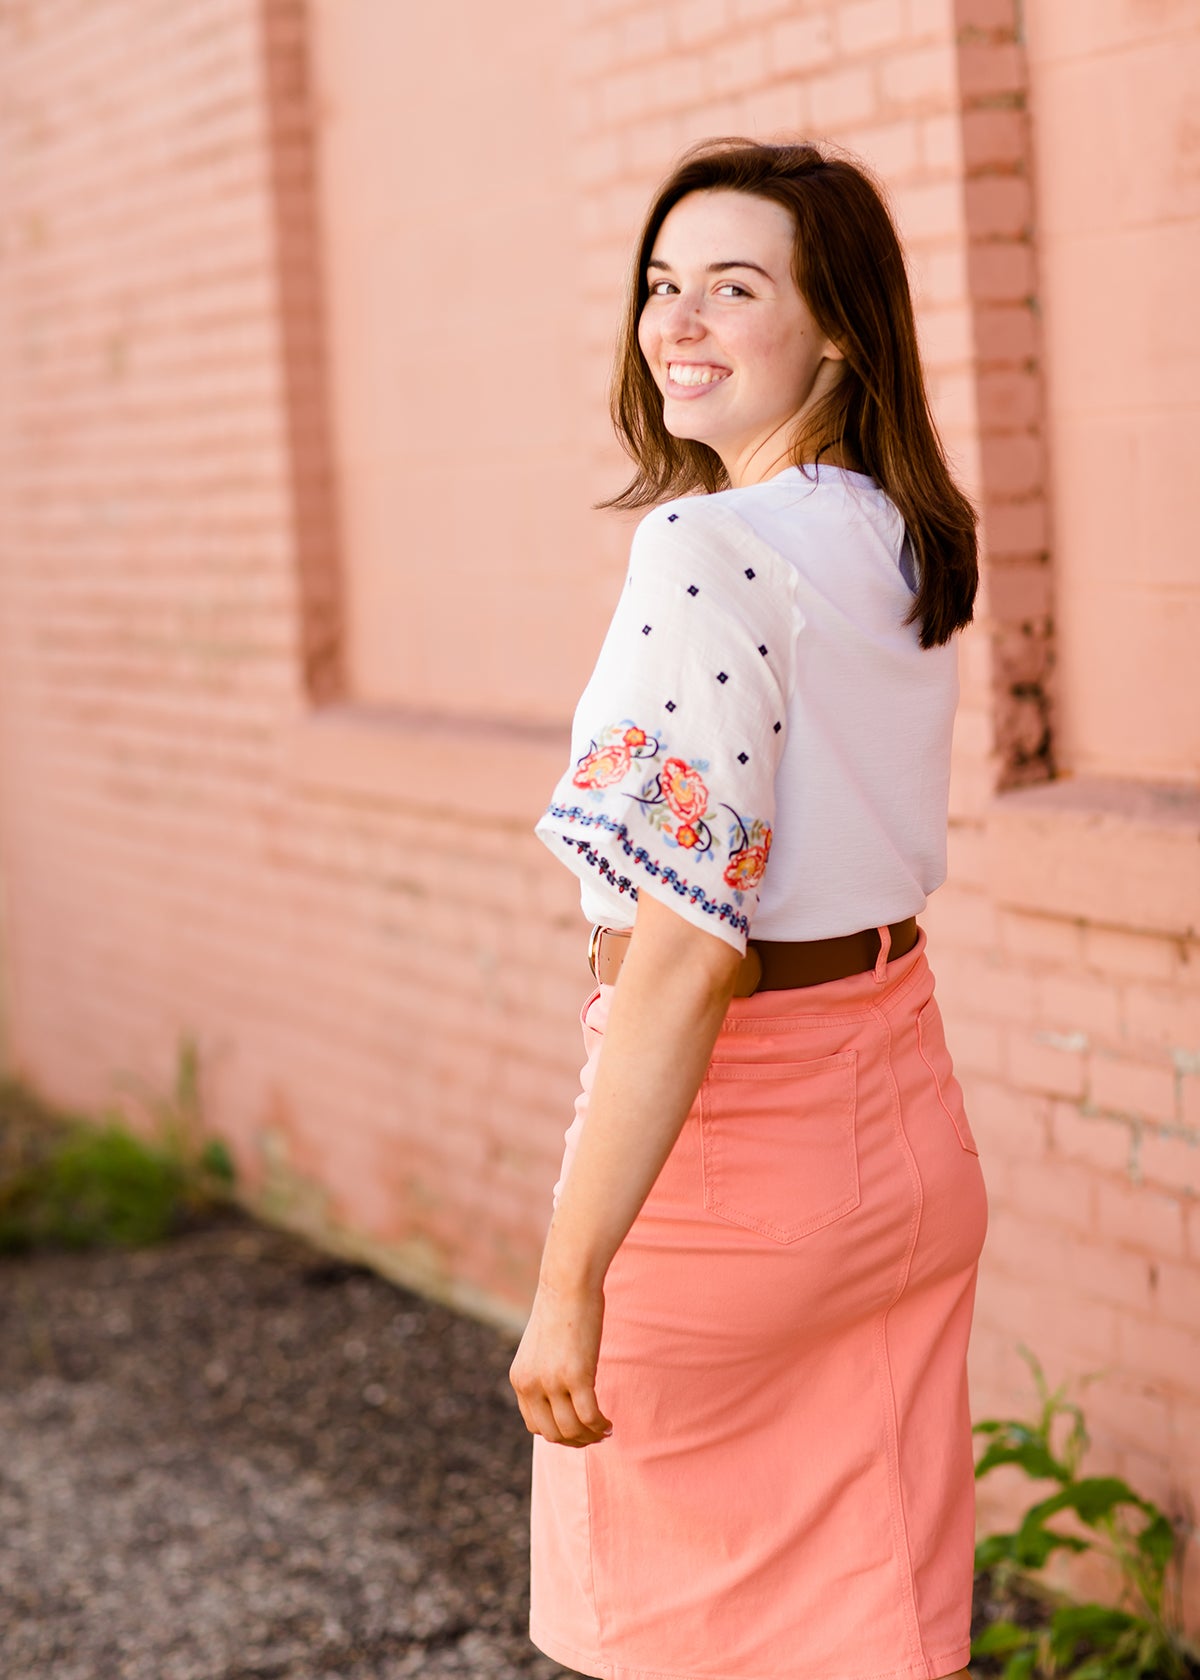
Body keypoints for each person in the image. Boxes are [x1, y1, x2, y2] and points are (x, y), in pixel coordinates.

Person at [509, 137, 988, 1680]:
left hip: (732, 1167)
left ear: (836, 324)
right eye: (662, 286)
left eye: (735, 287)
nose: (680, 324)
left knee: (668, 1637)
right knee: (873, 1623)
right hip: (905, 1124)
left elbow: (681, 961)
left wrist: (568, 1282)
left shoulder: (702, 550)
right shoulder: (898, 539)